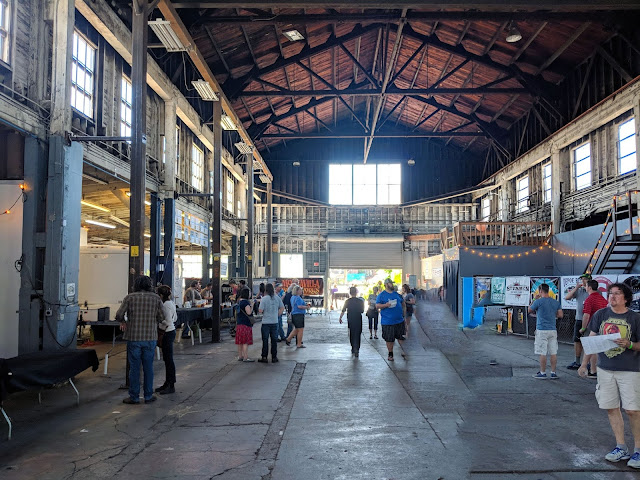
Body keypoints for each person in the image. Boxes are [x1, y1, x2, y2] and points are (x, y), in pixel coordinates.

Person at [578, 283, 640, 469]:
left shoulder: (635, 318)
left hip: (630, 370)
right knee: (611, 407)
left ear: (626, 298)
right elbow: (591, 340)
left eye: (617, 294)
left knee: (632, 410)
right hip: (605, 369)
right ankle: (621, 447)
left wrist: (630, 345)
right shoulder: (600, 315)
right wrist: (584, 364)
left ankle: (638, 450)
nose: (612, 297)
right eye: (610, 293)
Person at [116, 275, 165, 404]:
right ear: (150, 285)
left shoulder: (129, 297)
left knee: (134, 368)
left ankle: (134, 397)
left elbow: (119, 314)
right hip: (150, 338)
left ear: (136, 285)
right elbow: (162, 317)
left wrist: (123, 321)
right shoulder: (156, 298)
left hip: (134, 337)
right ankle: (148, 396)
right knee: (148, 367)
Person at [528, 283, 563, 379]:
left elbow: (529, 310)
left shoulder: (538, 302)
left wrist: (534, 299)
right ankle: (553, 372)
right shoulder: (555, 302)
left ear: (540, 291)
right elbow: (560, 315)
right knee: (553, 352)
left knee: (542, 352)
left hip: (541, 329)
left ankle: (543, 372)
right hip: (552, 329)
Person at [580, 279, 609, 378]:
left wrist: (583, 328)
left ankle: (593, 370)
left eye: (586, 286)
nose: (585, 287)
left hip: (593, 327)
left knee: (591, 348)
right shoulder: (603, 299)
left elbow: (586, 315)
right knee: (598, 349)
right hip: (604, 326)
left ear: (589, 287)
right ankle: (595, 369)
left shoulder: (589, 299)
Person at [376, 278, 406, 362]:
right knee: (389, 339)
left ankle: (404, 351)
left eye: (392, 283)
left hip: (399, 320)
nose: (392, 285)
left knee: (401, 337)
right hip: (387, 321)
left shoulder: (397, 294)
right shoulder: (381, 295)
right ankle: (390, 353)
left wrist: (404, 313)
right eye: (390, 283)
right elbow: (377, 306)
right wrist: (385, 305)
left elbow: (403, 303)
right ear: (386, 285)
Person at [565, 274, 591, 370]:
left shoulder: (593, 291)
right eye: (582, 279)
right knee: (577, 340)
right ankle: (577, 361)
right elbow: (567, 297)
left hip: (590, 320)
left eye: (585, 279)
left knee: (589, 341)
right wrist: (576, 288)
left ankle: (588, 362)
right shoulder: (579, 291)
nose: (583, 281)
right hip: (579, 318)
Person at [156, 285, 177, 394]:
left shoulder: (165, 305)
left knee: (168, 359)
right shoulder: (171, 303)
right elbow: (175, 318)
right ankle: (168, 383)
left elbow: (167, 321)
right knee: (168, 359)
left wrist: (159, 321)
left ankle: (170, 384)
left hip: (167, 332)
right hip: (171, 331)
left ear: (161, 295)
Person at [258, 283, 285, 363]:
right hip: (275, 321)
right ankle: (274, 357)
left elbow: (260, 310)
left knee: (265, 340)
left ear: (266, 290)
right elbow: (282, 307)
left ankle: (264, 357)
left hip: (266, 322)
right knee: (274, 340)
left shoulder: (264, 299)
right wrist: (277, 314)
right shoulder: (277, 298)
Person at [340, 287, 365, 357]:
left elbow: (343, 310)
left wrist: (340, 317)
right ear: (356, 293)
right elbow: (362, 311)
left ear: (350, 293)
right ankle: (357, 348)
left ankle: (353, 347)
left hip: (350, 319)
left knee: (352, 333)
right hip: (358, 319)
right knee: (358, 333)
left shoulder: (347, 301)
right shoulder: (360, 301)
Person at [235, 287, 255, 362]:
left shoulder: (239, 302)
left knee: (240, 342)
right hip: (245, 324)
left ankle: (240, 356)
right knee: (245, 341)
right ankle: (245, 357)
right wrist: (252, 305)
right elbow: (249, 312)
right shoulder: (246, 303)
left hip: (239, 324)